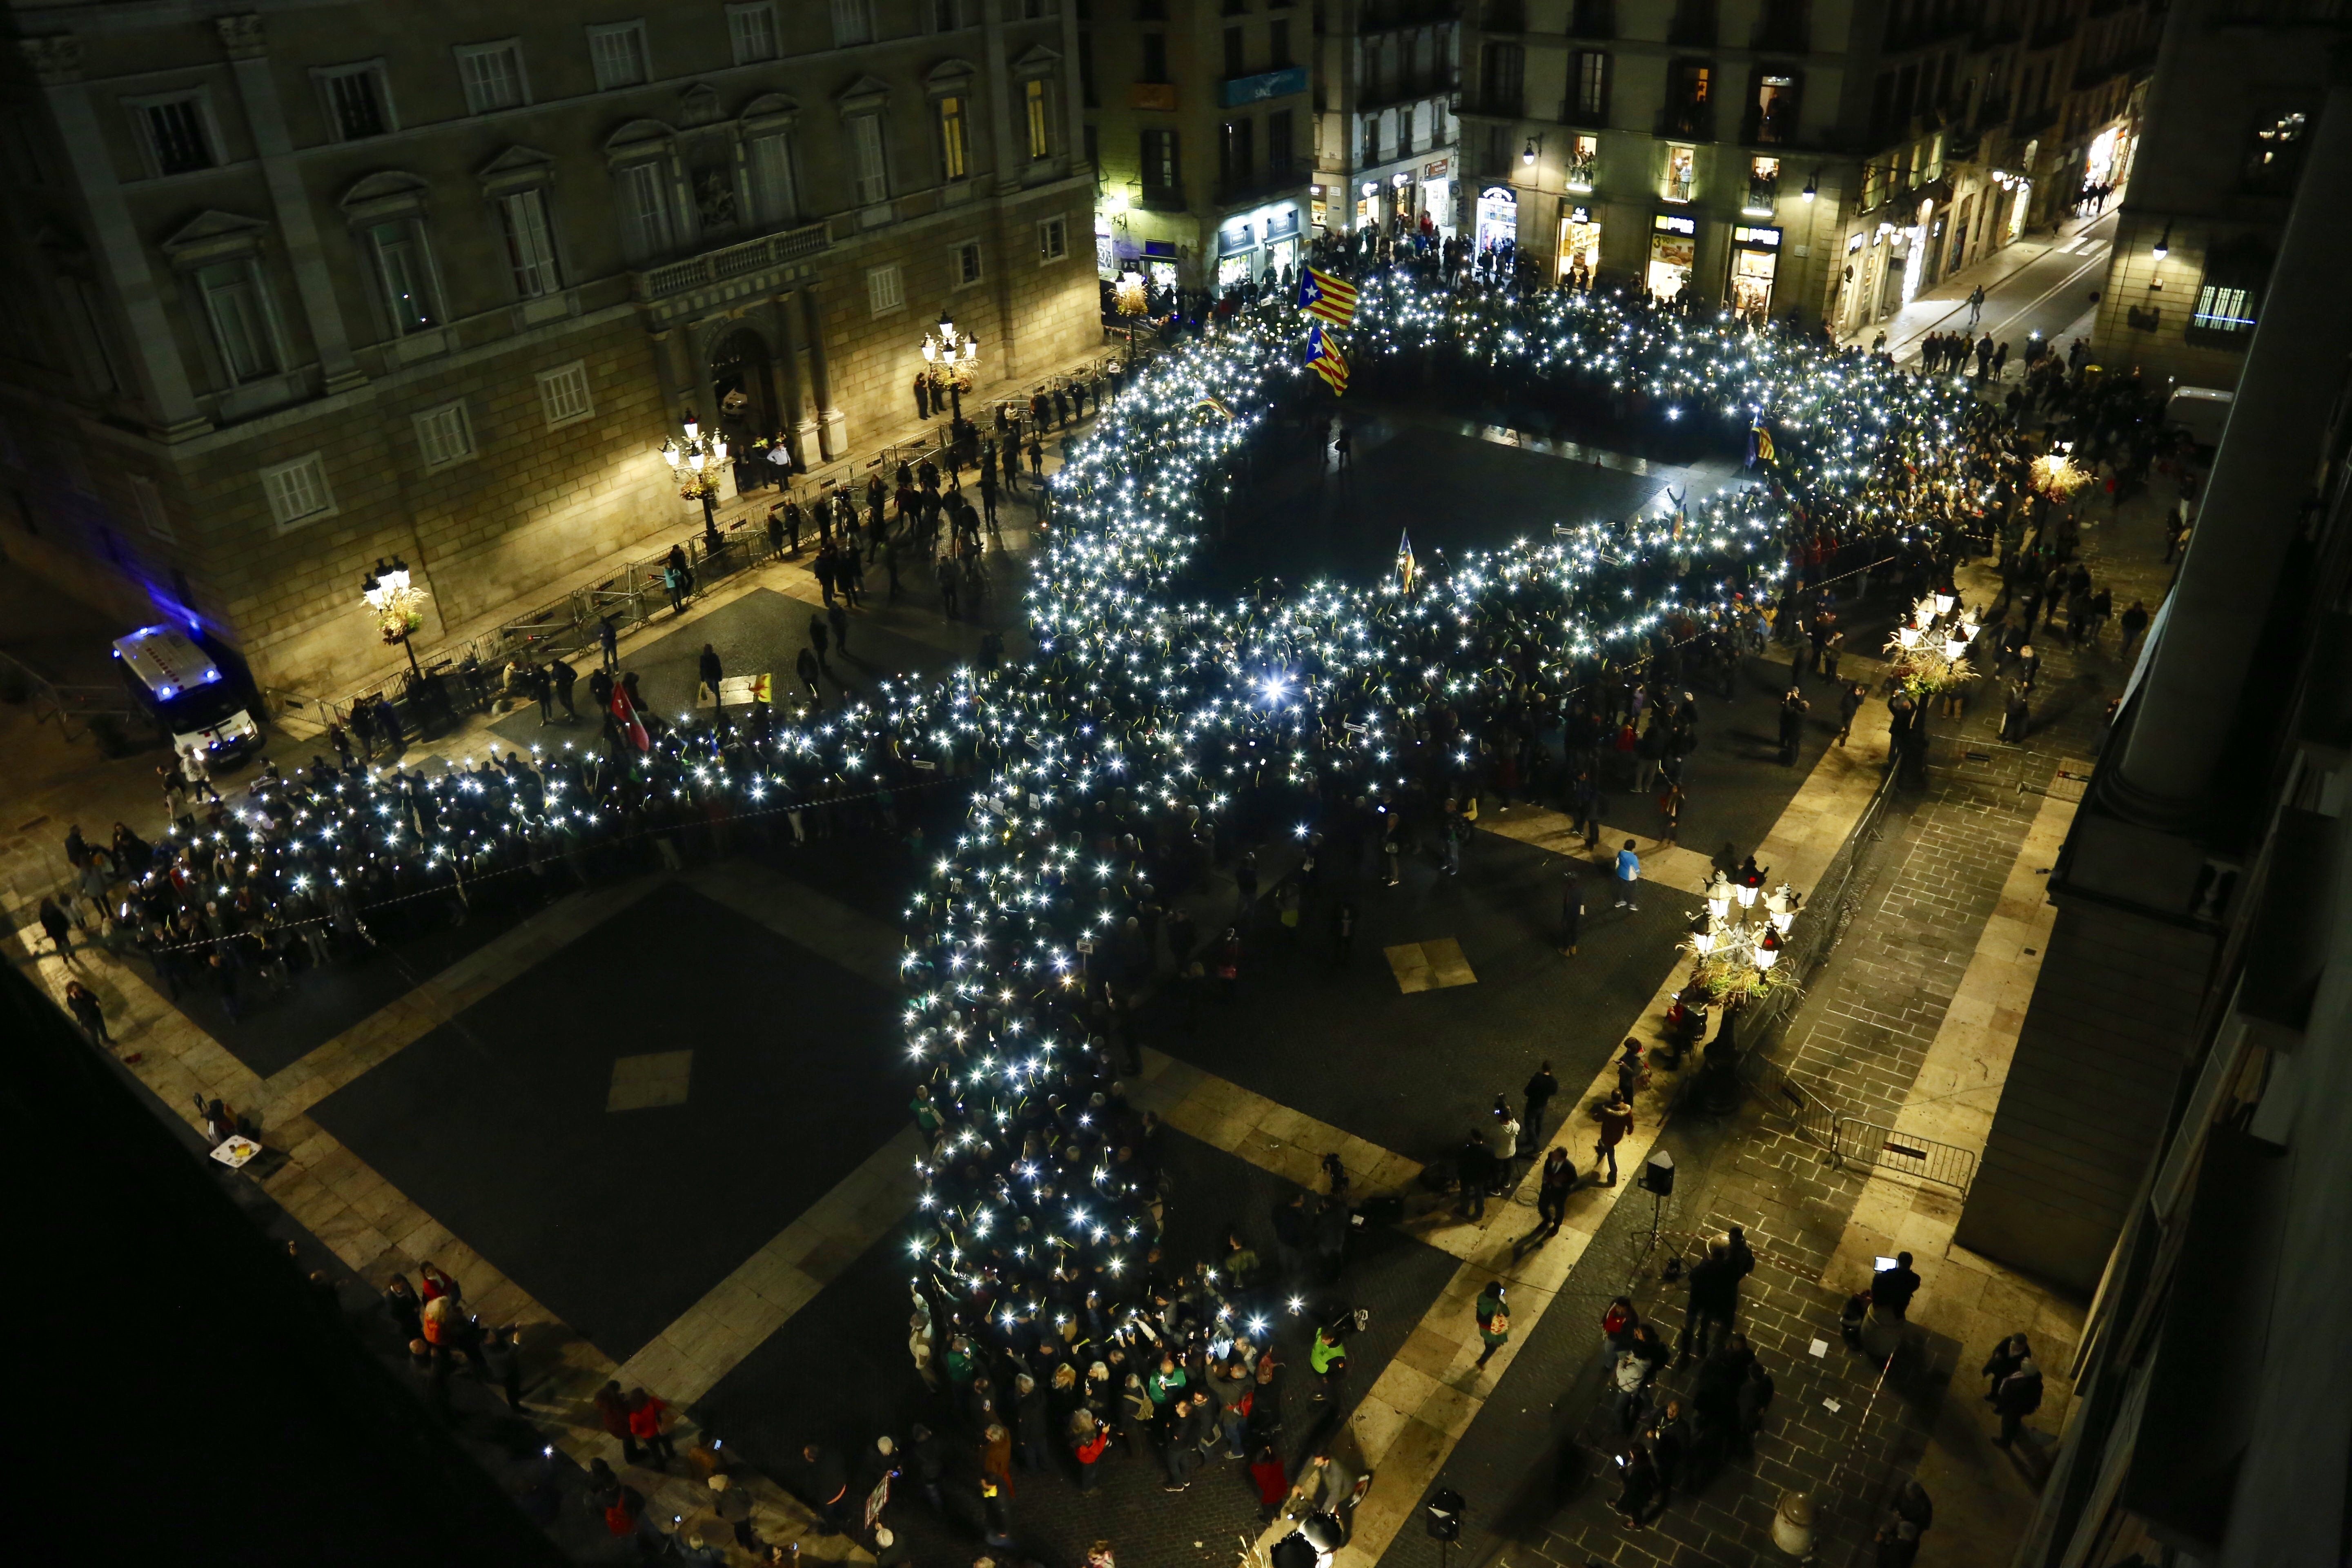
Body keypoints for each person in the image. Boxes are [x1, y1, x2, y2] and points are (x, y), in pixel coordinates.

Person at [1991, 1352, 2042, 1446]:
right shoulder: (2036, 1379)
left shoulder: (2021, 1386)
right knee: (2015, 1421)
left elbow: (2009, 1397)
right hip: (2021, 1409)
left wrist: (2001, 1406)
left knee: (2007, 1424)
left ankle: (2005, 1442)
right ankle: (2014, 1433)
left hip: (2013, 1408)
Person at [1595, 1088, 1634, 1185]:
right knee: (1607, 1146)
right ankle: (1603, 1148)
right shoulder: (1627, 1111)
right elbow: (1630, 1124)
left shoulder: (1606, 1109)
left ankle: (1613, 1175)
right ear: (1622, 1098)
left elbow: (1598, 1118)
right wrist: (1630, 1131)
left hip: (1607, 1135)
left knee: (1611, 1155)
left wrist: (1596, 1116)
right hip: (1618, 1135)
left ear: (1612, 1098)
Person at [1871, 1251, 1922, 1319]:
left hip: (1879, 1308)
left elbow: (1875, 1290)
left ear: (1898, 1261)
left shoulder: (1883, 1276)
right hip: (1899, 1312)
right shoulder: (1916, 1279)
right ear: (1911, 1263)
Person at [1982, 1332, 2029, 1402]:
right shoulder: (2008, 1341)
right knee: (1995, 1378)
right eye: (2016, 1346)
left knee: (1998, 1383)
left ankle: (1994, 1395)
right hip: (1998, 1364)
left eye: (2020, 1347)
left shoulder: (2027, 1354)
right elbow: (1998, 1349)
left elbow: (2022, 1368)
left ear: (2024, 1345)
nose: (2017, 1349)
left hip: (2007, 1372)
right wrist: (1997, 1354)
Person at [65, 980, 111, 1048]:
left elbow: (94, 997)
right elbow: (76, 1008)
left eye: (76, 987)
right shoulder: (70, 999)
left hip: (96, 1013)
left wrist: (97, 1001)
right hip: (87, 1019)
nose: (76, 989)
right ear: (70, 990)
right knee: (94, 1033)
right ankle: (97, 1046)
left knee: (102, 1028)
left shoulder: (85, 992)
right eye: (74, 989)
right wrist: (75, 999)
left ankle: (106, 1039)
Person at [1474, 1281, 1510, 1368]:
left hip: (1483, 1327)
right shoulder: (1496, 1304)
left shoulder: (1481, 1296)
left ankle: (1488, 1345)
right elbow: (1507, 1313)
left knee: (1488, 1341)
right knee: (1492, 1348)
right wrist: (1502, 1301)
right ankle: (1481, 1362)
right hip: (1491, 1329)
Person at [1523, 1059, 1559, 1137]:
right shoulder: (1553, 1081)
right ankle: (1537, 1136)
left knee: (1529, 1124)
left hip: (1533, 1105)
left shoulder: (1537, 1078)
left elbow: (1527, 1091)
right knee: (1539, 1122)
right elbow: (1554, 1092)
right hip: (1543, 1104)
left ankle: (1534, 1143)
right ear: (1551, 1070)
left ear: (1542, 1068)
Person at [1613, 837, 1642, 910]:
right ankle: (1632, 905)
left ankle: (1619, 901)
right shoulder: (1633, 857)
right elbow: (1636, 869)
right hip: (1630, 877)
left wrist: (1617, 870)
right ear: (1633, 848)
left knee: (1621, 888)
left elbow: (1617, 862)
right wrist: (1639, 873)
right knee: (1632, 890)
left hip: (1620, 874)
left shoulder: (1621, 853)